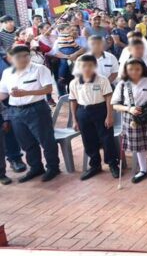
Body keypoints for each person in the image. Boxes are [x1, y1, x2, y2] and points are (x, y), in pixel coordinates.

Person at [0, 45, 59, 182]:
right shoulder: (8, 73)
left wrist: (26, 93)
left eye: (26, 55)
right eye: (19, 56)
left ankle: (53, 167)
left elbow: (47, 89)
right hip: (15, 111)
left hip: (36, 109)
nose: (24, 59)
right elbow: (3, 93)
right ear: (11, 59)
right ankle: (36, 167)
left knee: (46, 140)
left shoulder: (39, 69)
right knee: (26, 143)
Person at [111, 58, 147, 184]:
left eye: (137, 69)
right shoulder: (122, 83)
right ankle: (143, 169)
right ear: (126, 70)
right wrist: (129, 109)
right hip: (132, 117)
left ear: (143, 68)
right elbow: (114, 105)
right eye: (130, 69)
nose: (134, 72)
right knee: (138, 144)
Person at [68, 54, 118, 180]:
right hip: (83, 112)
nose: (87, 68)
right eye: (83, 66)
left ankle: (112, 164)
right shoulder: (74, 83)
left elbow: (108, 98)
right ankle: (95, 165)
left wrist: (109, 116)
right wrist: (74, 120)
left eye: (90, 65)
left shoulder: (102, 80)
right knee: (88, 140)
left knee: (107, 138)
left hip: (100, 110)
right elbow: (73, 101)